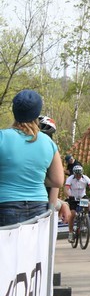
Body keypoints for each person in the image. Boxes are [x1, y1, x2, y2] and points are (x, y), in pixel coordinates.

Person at [0, 90, 64, 226]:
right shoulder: (48, 142)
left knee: (8, 247)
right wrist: (35, 177)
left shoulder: (2, 137)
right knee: (33, 247)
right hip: (39, 205)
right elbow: (58, 181)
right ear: (37, 113)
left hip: (6, 204)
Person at [64, 165, 90, 242]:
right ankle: (70, 233)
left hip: (82, 196)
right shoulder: (70, 179)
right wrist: (69, 196)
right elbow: (66, 189)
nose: (78, 176)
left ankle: (85, 219)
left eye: (80, 175)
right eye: (77, 175)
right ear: (74, 174)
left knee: (87, 205)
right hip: (73, 197)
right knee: (72, 214)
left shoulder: (85, 178)